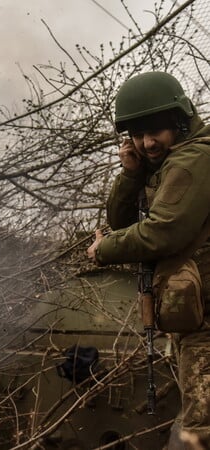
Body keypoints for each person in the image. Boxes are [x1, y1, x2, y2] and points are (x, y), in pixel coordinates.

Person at [86, 71, 210, 449]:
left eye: (155, 131)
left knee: (199, 436)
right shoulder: (167, 165)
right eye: (138, 135)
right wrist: (131, 173)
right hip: (199, 322)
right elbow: (121, 222)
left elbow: (161, 231)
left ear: (178, 120)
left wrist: (104, 249)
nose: (147, 142)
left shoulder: (194, 159)